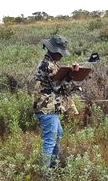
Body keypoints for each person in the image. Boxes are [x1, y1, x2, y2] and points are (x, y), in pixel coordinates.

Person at [33, 35, 80, 168]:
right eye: (60, 53)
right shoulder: (48, 65)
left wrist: (69, 75)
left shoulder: (51, 63)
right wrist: (70, 75)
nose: (62, 56)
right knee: (50, 141)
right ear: (54, 51)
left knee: (58, 135)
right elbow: (56, 86)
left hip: (50, 107)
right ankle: (45, 174)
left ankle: (53, 167)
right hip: (47, 108)